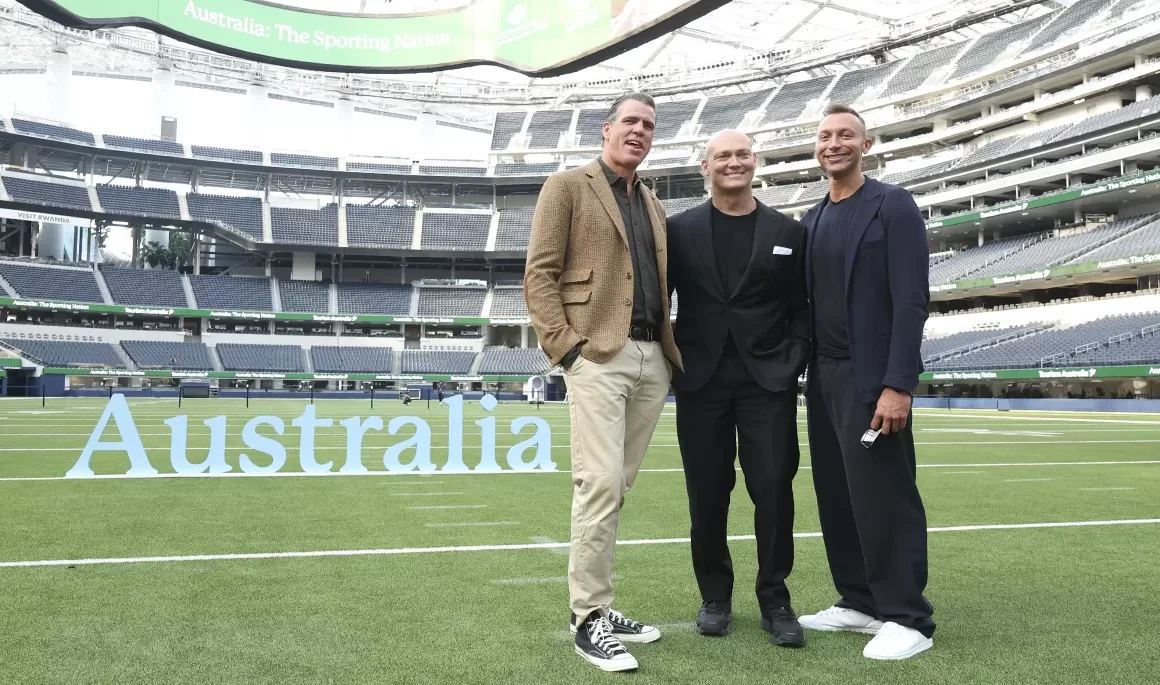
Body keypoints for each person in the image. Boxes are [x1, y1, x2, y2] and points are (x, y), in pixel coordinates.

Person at [524, 92, 682, 673]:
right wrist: (568, 350)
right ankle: (588, 616)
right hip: (597, 354)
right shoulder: (568, 186)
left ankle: (601, 608)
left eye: (649, 125)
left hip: (652, 356)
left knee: (617, 487)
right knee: (599, 483)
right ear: (607, 129)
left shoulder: (653, 203)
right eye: (630, 122)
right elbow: (540, 273)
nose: (639, 131)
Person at [798, 103, 935, 660]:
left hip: (872, 379)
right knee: (837, 494)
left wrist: (899, 384)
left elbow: (912, 300)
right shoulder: (811, 219)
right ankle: (859, 600)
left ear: (866, 144)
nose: (834, 144)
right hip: (822, 377)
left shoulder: (892, 205)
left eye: (846, 135)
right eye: (825, 136)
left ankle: (908, 616)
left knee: (885, 495)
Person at [667, 129, 810, 646]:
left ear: (756, 161)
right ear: (705, 167)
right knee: (707, 494)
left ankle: (775, 599)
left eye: (742, 154)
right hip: (700, 381)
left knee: (772, 489)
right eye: (722, 155)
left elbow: (801, 306)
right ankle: (715, 597)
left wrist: (793, 358)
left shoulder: (788, 230)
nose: (734, 162)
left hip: (767, 382)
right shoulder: (678, 230)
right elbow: (660, 300)